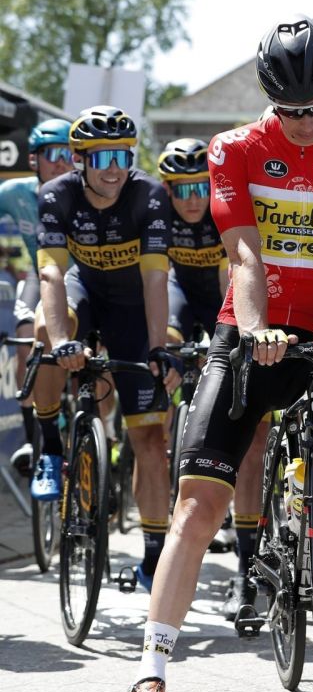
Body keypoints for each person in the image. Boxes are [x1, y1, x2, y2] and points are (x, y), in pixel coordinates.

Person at [125, 16, 313, 692]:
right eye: (290, 110)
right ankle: (150, 673)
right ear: (269, 100)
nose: (305, 123)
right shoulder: (235, 149)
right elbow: (244, 255)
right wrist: (254, 330)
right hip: (250, 333)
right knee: (198, 507)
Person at [31, 106, 181, 591]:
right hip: (83, 293)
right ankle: (49, 447)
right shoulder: (56, 195)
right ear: (79, 159)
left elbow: (156, 278)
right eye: (101, 158)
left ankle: (154, 557)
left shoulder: (149, 195)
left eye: (121, 156)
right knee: (43, 330)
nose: (114, 168)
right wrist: (61, 342)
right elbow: (51, 272)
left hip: (133, 308)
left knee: (151, 441)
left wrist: (157, 348)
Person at [156, 137, 269, 621]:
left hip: (223, 299)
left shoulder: (224, 204)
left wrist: (231, 343)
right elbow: (152, 278)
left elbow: (238, 271)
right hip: (179, 296)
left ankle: (247, 562)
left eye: (198, 187)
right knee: (165, 351)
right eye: (181, 189)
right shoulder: (158, 212)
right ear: (167, 190)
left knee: (252, 427)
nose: (192, 198)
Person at [0, 118, 73, 473]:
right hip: (39, 274)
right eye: (52, 154)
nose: (61, 163)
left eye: (68, 154)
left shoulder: (84, 191)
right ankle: (32, 439)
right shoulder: (14, 193)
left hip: (83, 279)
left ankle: (106, 435)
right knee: (26, 340)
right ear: (33, 160)